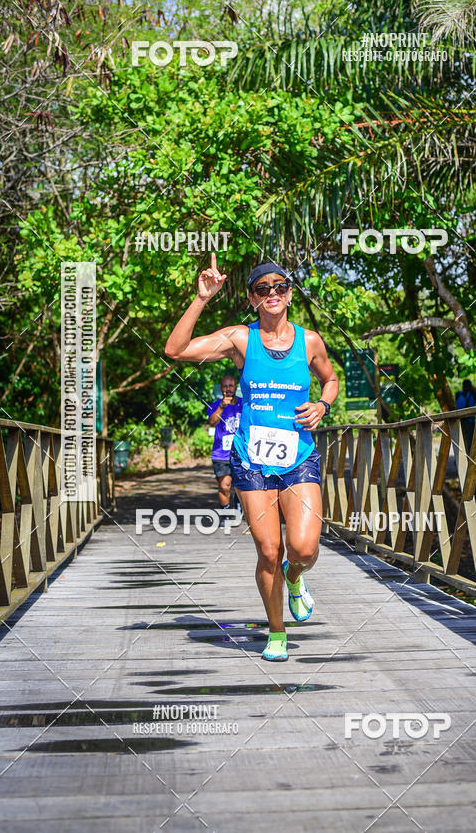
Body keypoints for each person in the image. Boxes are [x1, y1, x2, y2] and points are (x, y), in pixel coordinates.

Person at [165, 254, 339, 662]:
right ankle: (276, 633)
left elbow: (330, 379)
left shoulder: (309, 340)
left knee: (304, 549)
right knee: (268, 551)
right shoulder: (240, 340)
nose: (273, 293)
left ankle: (295, 580)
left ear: (290, 295)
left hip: (298, 456)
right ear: (252, 299)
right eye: (263, 289)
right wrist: (201, 298)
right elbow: (177, 350)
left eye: (280, 287)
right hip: (251, 459)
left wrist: (323, 406)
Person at [206, 374, 242, 522]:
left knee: (240, 486)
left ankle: (238, 503)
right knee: (225, 486)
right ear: (221, 388)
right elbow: (212, 422)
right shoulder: (215, 405)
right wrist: (222, 406)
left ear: (235, 387)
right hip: (221, 454)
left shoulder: (243, 404)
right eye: (225, 386)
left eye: (231, 386)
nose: (228, 389)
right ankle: (225, 515)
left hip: (241, 453)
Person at [455, 379, 476, 453]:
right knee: (469, 441)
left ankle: (460, 457)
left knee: (461, 441)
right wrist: (474, 390)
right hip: (470, 421)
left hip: (460, 421)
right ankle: (469, 458)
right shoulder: (472, 394)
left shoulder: (458, 394)